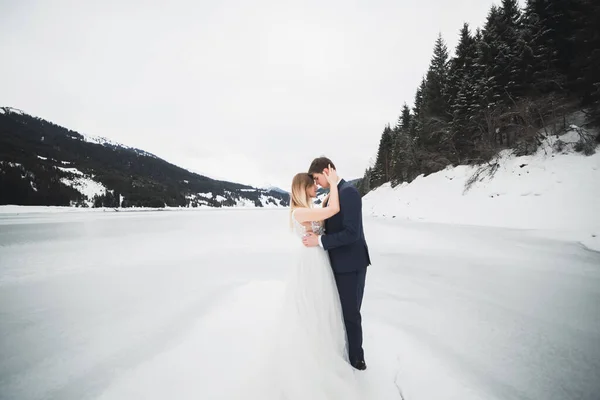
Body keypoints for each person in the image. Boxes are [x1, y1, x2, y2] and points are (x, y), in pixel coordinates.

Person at [303, 157, 371, 371]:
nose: (316, 184)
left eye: (316, 178)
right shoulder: (334, 193)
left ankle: (357, 361)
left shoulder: (348, 192)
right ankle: (345, 353)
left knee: (351, 313)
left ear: (326, 171)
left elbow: (352, 233)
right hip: (338, 264)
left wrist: (320, 241)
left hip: (351, 264)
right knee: (340, 312)